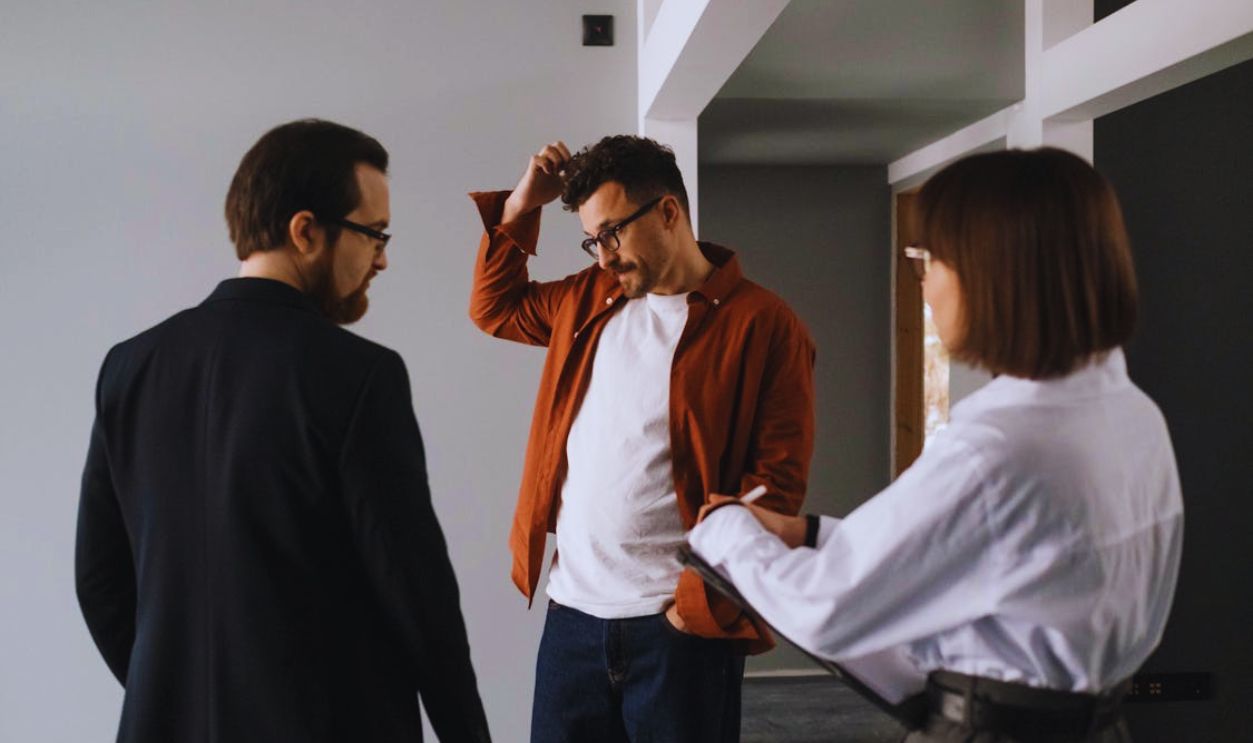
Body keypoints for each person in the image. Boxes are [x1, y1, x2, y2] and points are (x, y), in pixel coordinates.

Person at [688, 147, 1183, 743]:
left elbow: (827, 609)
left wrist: (724, 530)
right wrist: (808, 534)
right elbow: (1006, 556)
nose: (925, 288)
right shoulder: (1131, 413)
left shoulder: (998, 450)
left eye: (928, 262)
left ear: (992, 273)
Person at [76, 119, 490, 743]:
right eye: (373, 234)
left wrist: (173, 692)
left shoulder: (131, 366)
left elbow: (99, 578)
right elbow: (418, 598)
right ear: (305, 230)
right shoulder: (359, 376)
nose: (382, 257)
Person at [467, 136, 815, 742]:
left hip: (679, 630)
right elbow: (494, 306)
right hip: (572, 619)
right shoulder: (585, 300)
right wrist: (524, 203)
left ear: (668, 213)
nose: (602, 256)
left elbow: (775, 483)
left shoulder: (763, 324)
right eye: (592, 240)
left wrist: (696, 606)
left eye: (613, 234)